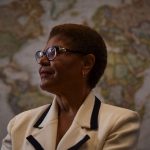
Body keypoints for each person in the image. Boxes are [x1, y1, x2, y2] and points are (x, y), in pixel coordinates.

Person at [1, 23, 140, 150]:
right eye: (42, 54)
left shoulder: (121, 122)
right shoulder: (19, 125)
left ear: (86, 63)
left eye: (52, 52)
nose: (42, 61)